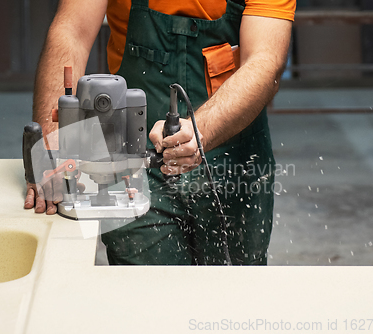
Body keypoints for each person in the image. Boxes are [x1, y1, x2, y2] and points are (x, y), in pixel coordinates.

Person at [25, 0, 295, 265]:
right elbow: (71, 31)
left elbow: (265, 60)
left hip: (235, 159)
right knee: (145, 297)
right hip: (129, 163)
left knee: (232, 296)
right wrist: (54, 144)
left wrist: (200, 130)